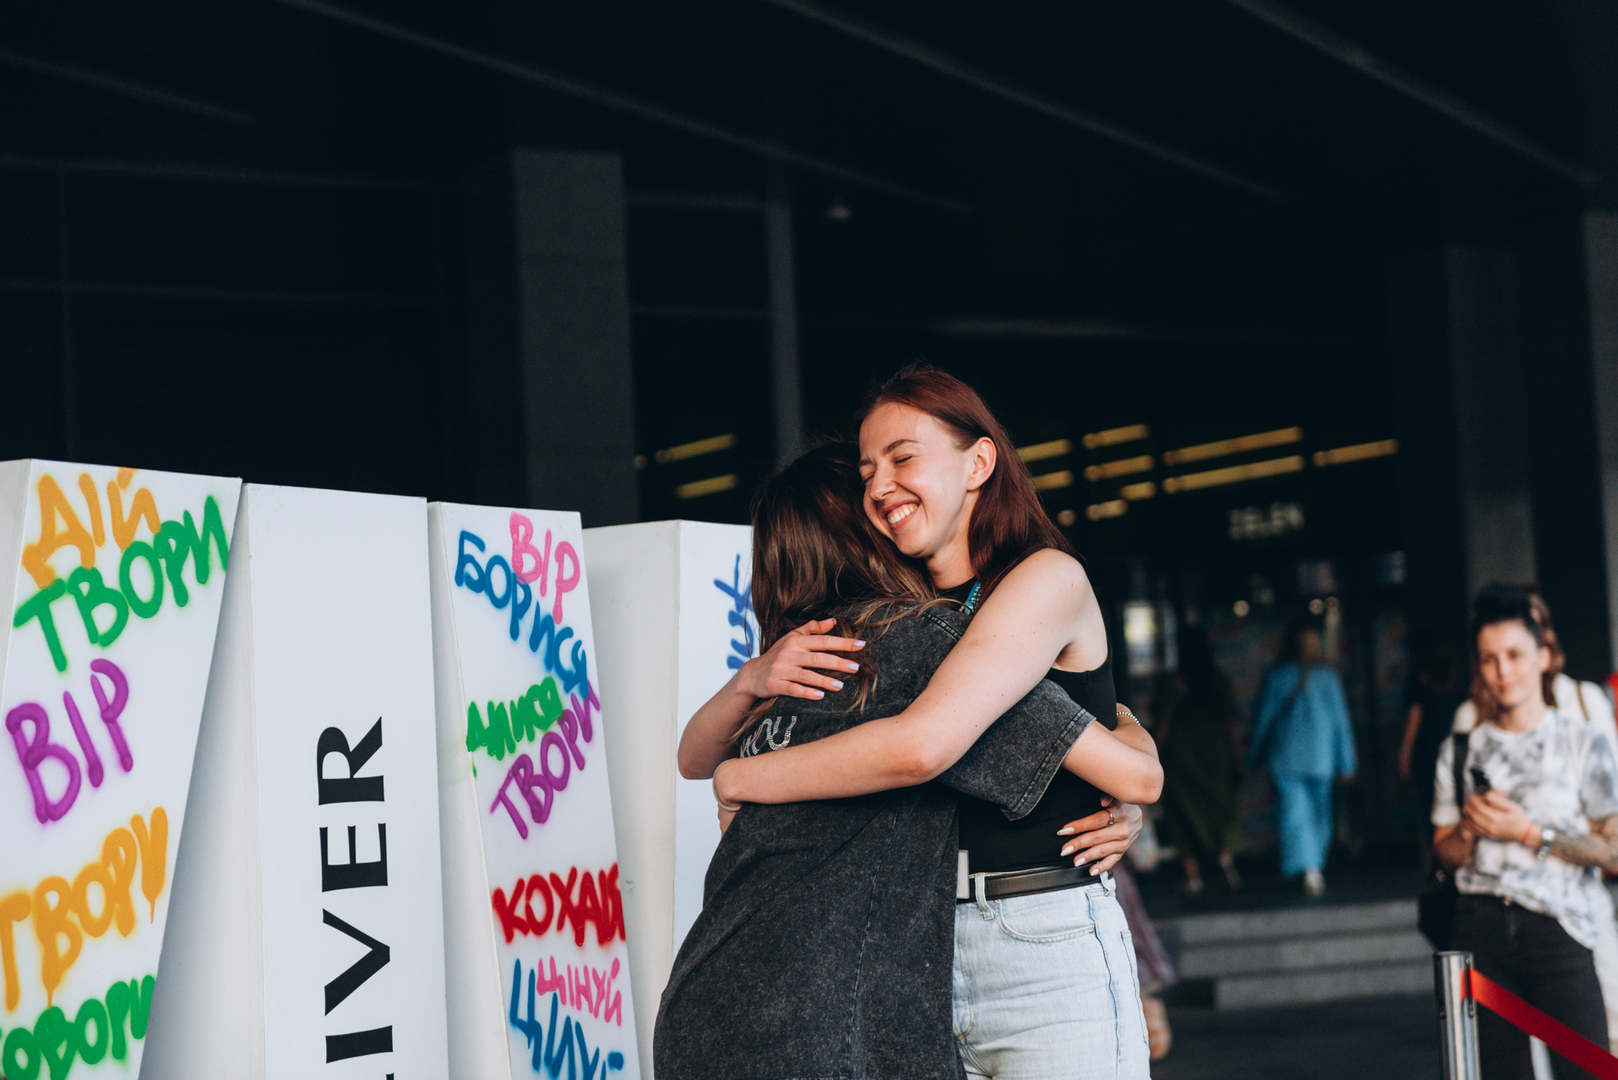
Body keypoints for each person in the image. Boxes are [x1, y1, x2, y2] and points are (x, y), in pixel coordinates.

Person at [701, 366, 1161, 1079]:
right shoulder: (905, 613)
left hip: (1040, 939)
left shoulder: (1041, 575)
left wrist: (741, 778)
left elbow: (924, 746)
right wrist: (750, 682)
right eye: (867, 472)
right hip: (911, 951)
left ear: (979, 463)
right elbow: (696, 753)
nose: (880, 485)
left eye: (903, 458)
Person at [1433, 586, 1618, 1080]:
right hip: (1480, 929)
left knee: (1588, 1068)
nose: (1503, 671)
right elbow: (1444, 853)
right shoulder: (1460, 748)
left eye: (1515, 655)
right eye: (1489, 659)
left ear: (1543, 656)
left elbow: (1615, 852)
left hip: (1559, 929)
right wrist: (1470, 828)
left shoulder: (1583, 742)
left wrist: (1531, 833)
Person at [1246, 618, 1357, 896]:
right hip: (1322, 758)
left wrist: (1252, 755)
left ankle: (1307, 868)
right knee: (1321, 816)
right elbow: (1341, 722)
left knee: (1294, 816)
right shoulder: (1328, 676)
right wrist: (1347, 762)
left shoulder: (1277, 675)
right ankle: (1314, 866)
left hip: (1286, 758)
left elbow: (1264, 719)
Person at [1155, 621, 1242, 893]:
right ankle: (1226, 865)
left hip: (1181, 760)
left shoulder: (1171, 682)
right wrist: (1236, 759)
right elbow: (1229, 726)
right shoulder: (1218, 681)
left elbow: (1163, 725)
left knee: (1182, 817)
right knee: (1220, 812)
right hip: (1215, 757)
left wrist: (1152, 757)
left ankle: (1192, 876)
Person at [1398, 632, 1468, 835]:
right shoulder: (1460, 677)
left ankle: (1437, 849)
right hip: (1458, 749)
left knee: (1433, 813)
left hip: (1428, 752)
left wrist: (1404, 754)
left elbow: (1414, 719)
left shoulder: (1420, 680)